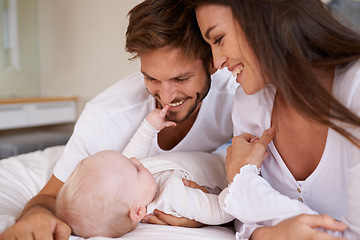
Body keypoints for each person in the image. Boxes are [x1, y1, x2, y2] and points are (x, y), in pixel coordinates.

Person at [0, 0, 237, 239]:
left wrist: (200, 216)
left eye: (181, 79)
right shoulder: (106, 117)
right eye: (151, 78)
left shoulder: (237, 93)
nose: (166, 97)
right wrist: (35, 218)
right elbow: (49, 197)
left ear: (212, 62)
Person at [186, 0, 360, 239]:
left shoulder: (355, 87)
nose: (217, 62)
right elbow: (245, 221)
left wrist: (244, 182)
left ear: (264, 18)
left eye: (218, 39)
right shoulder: (249, 103)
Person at [55, 107, 233, 238]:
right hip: (228, 168)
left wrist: (150, 126)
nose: (134, 160)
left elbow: (135, 149)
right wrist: (243, 174)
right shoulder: (171, 200)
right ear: (138, 211)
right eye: (135, 168)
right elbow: (221, 210)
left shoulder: (132, 183)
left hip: (216, 154)